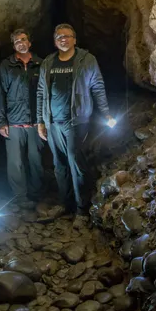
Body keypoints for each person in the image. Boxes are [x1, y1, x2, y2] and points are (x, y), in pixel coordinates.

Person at [36, 23, 114, 215]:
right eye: (59, 36)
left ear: (75, 39)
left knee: (75, 160)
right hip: (53, 122)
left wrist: (106, 113)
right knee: (59, 163)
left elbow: (97, 86)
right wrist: (41, 121)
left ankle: (82, 207)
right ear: (55, 42)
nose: (63, 39)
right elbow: (40, 92)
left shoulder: (86, 60)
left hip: (76, 120)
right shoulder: (48, 62)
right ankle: (66, 203)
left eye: (67, 36)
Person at [0, 28, 43, 207]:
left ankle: (36, 193)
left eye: (23, 39)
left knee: (35, 160)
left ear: (29, 42)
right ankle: (20, 196)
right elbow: (0, 93)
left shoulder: (40, 63)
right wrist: (1, 122)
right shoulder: (6, 65)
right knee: (15, 162)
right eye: (17, 41)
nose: (21, 43)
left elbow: (46, 94)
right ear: (13, 45)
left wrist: (44, 120)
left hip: (35, 121)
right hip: (14, 121)